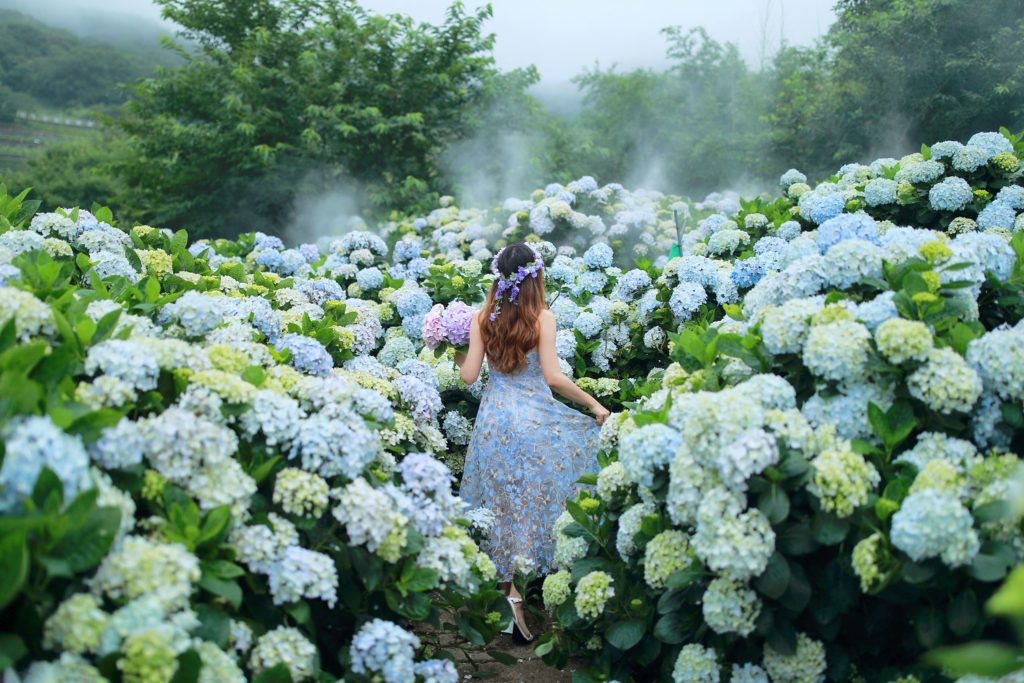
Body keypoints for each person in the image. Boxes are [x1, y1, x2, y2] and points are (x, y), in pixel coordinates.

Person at [455, 242, 610, 642]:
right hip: (534, 423)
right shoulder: (542, 317)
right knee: (530, 507)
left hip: (494, 426)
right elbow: (555, 378)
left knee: (502, 509)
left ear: (497, 277)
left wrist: (454, 350)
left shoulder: (482, 317)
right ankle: (516, 598)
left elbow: (469, 377)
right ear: (535, 276)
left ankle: (508, 597)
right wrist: (595, 405)